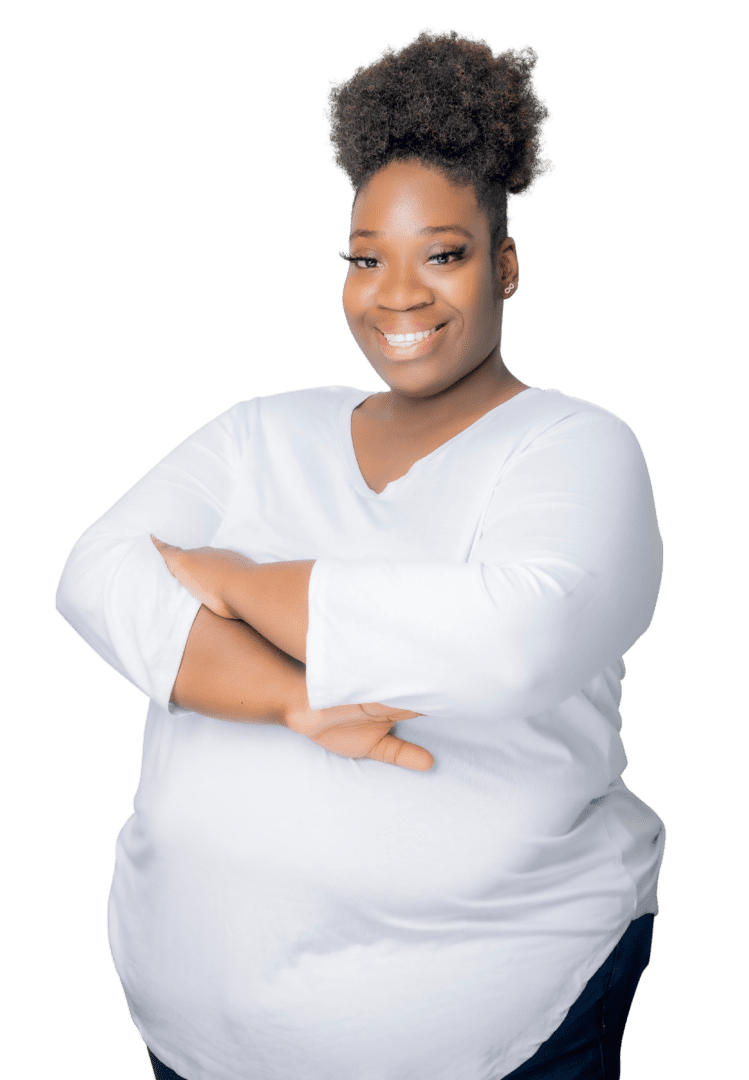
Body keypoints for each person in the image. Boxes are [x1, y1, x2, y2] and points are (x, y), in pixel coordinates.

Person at [55, 27, 665, 1080]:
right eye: (364, 259)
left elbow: (515, 636)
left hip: (504, 1023)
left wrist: (240, 585)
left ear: (504, 264)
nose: (397, 296)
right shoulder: (260, 431)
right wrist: (291, 699)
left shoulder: (574, 446)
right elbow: (97, 575)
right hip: (195, 1033)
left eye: (442, 253)